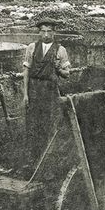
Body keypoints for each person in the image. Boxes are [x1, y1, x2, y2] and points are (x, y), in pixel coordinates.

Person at [23, 18, 71, 164]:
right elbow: (26, 71)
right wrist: (25, 94)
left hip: (50, 90)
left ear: (54, 32)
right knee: (32, 123)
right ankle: (31, 159)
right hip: (34, 90)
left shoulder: (60, 50)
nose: (45, 35)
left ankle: (47, 159)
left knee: (49, 123)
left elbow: (67, 73)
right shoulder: (32, 47)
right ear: (39, 32)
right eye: (43, 31)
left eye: (49, 31)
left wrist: (58, 68)